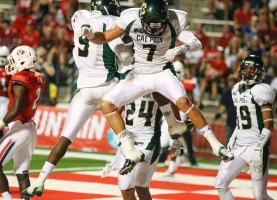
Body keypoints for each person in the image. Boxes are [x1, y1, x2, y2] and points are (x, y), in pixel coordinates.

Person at [79, 0, 234, 174]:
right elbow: (105, 37)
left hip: (161, 71)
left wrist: (179, 50)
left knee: (183, 102)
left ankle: (215, 145)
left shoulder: (176, 19)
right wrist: (91, 35)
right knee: (107, 105)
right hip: (139, 74)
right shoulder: (130, 18)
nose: (153, 30)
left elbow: (196, 43)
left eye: (158, 26)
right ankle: (129, 148)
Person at [21, 0, 138, 198]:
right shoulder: (114, 22)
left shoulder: (80, 17)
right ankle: (129, 151)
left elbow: (70, 14)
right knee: (135, 111)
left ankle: (40, 181)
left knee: (65, 138)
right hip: (108, 85)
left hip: (84, 88)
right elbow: (125, 56)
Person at [214, 55, 276, 200]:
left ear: (259, 72)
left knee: (260, 196)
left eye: (252, 69)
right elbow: (241, 119)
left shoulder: (262, 90)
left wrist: (258, 148)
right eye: (246, 68)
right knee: (220, 183)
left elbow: (269, 124)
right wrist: (233, 136)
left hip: (256, 145)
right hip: (239, 145)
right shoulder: (236, 88)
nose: (248, 72)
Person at [0, 45, 45, 200]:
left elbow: (17, 108)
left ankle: (7, 198)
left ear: (22, 61)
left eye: (14, 60)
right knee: (21, 171)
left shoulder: (20, 79)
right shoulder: (38, 77)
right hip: (29, 128)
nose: (11, 63)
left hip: (19, 127)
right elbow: (34, 76)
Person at [103, 93, 164, 200]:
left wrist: (175, 135)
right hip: (128, 140)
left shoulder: (157, 85)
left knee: (141, 187)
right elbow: (114, 110)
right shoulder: (127, 86)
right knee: (125, 187)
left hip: (149, 140)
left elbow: (170, 110)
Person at [214, 74, 237, 146]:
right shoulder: (227, 93)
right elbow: (223, 107)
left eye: (233, 82)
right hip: (231, 119)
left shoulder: (240, 92)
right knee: (229, 137)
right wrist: (219, 113)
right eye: (230, 81)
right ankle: (226, 154)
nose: (231, 83)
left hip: (240, 119)